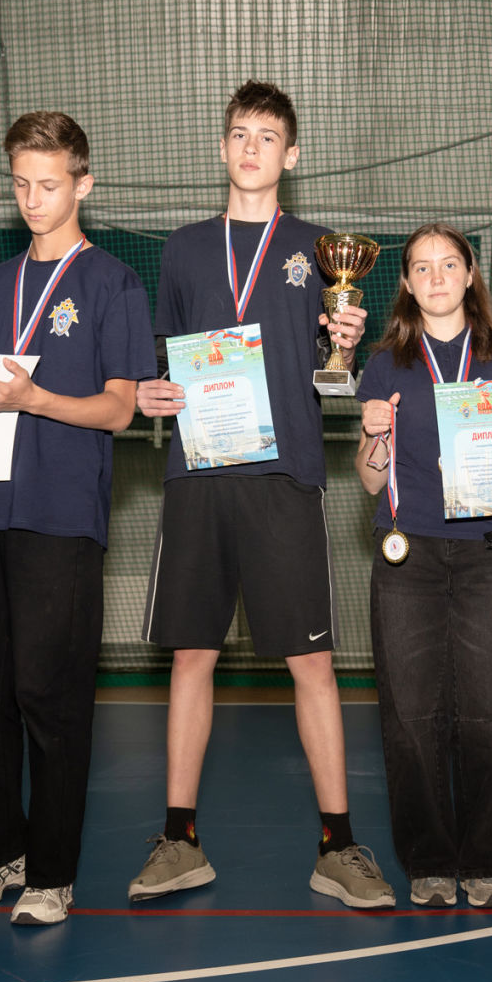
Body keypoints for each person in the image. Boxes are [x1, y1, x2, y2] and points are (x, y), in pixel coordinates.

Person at [131, 80, 392, 908]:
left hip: (286, 473)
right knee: (192, 654)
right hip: (200, 469)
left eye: (267, 137)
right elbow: (162, 358)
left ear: (292, 154)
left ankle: (338, 845)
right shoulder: (183, 248)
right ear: (222, 147)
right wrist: (152, 390)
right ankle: (179, 838)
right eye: (240, 134)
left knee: (311, 661)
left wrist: (345, 341)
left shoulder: (321, 249)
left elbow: (336, 374)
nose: (251, 148)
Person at [0, 112, 156, 926]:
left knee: (50, 693)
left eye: (49, 184)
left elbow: (120, 408)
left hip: (61, 513)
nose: (33, 199)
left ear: (82, 184)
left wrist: (34, 398)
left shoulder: (113, 283)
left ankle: (52, 872)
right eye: (21, 184)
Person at [354, 223, 492, 908]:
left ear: (470, 274)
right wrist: (375, 439)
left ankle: (489, 860)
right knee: (410, 713)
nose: (436, 276)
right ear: (407, 283)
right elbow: (371, 480)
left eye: (448, 264)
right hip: (408, 554)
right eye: (421, 266)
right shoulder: (385, 363)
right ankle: (430, 861)